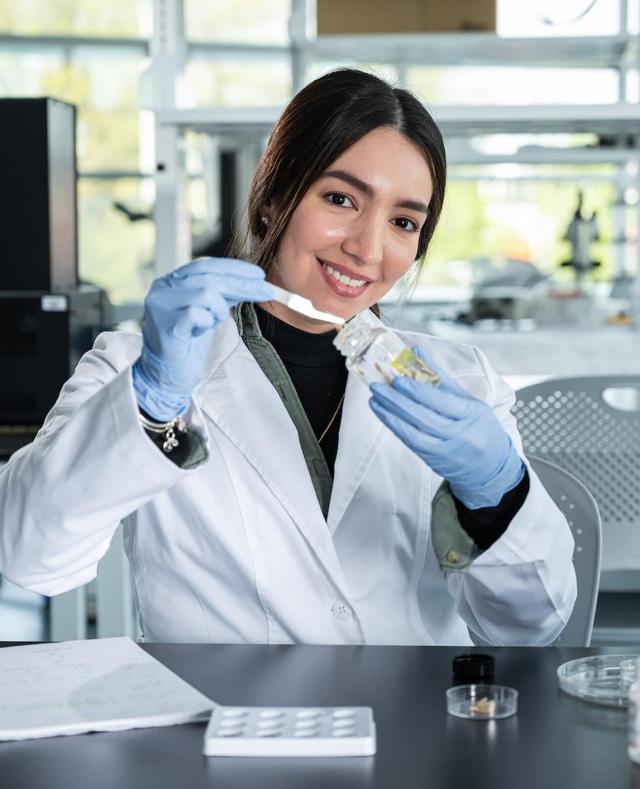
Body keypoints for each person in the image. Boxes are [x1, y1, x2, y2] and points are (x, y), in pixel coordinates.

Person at [0, 69, 576, 646]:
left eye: (403, 222)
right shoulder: (135, 367)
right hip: (214, 720)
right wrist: (150, 405)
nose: (368, 248)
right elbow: (32, 558)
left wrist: (497, 493)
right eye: (340, 198)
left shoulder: (463, 381)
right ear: (273, 197)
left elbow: (529, 628)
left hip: (410, 722)